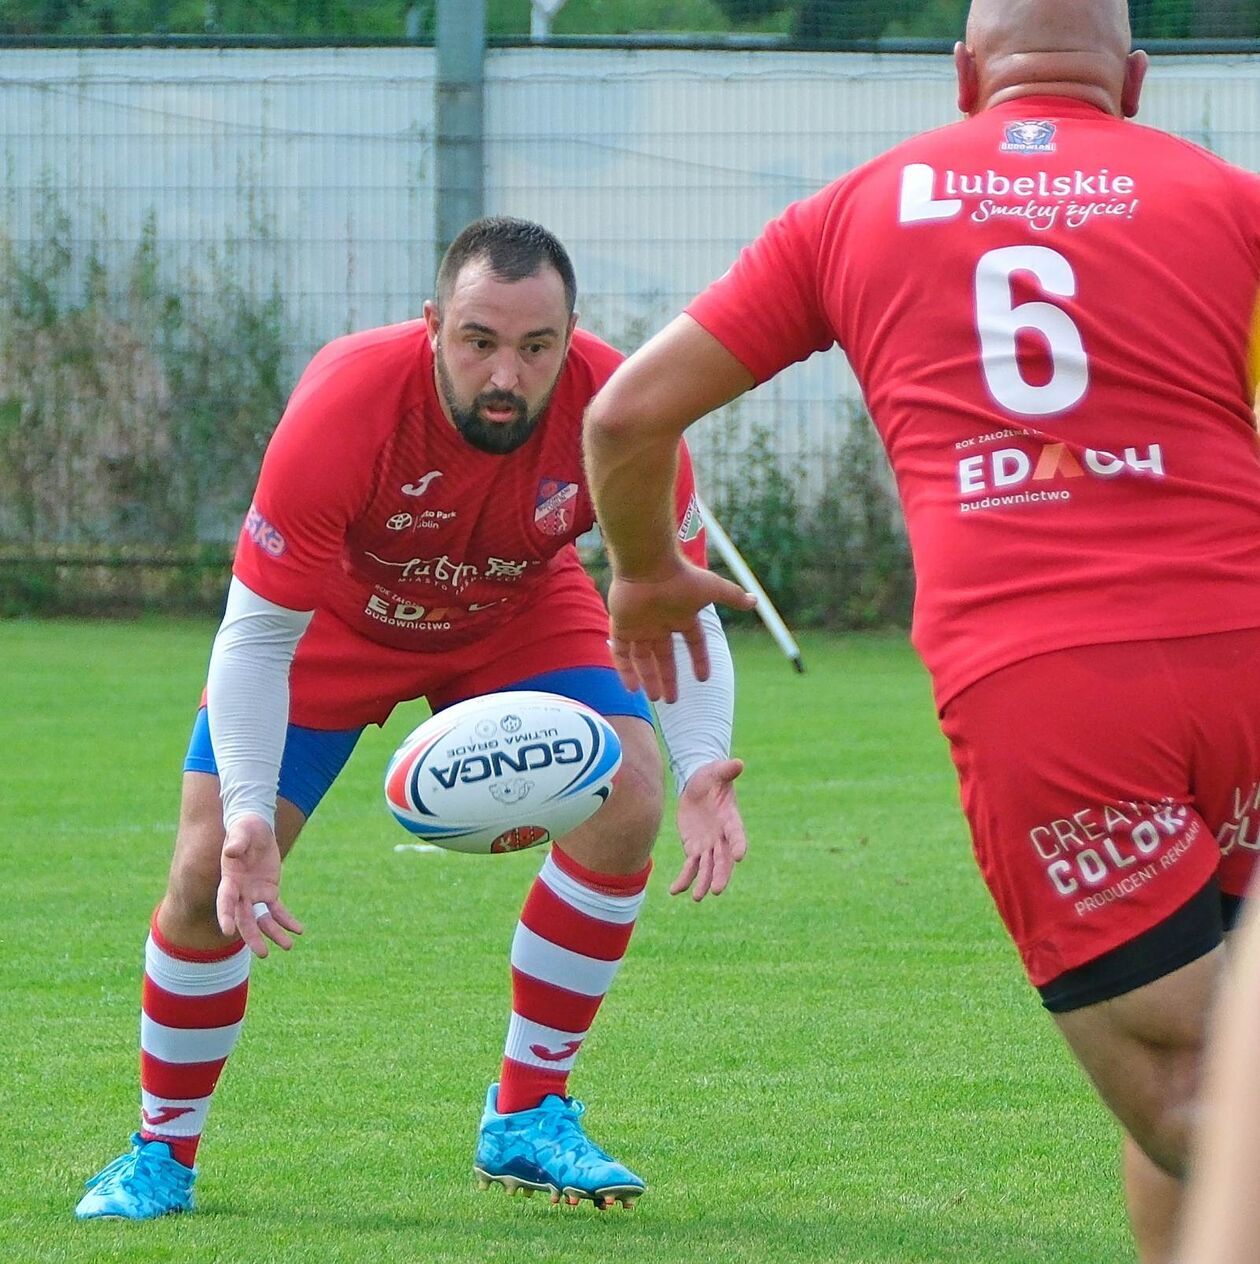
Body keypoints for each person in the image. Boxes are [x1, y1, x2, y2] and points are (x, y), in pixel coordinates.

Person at [582, 3, 1260, 1260]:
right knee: (1220, 1059)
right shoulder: (1228, 198)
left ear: (963, 76)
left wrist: (644, 571)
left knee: (1183, 1098)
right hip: (1244, 645)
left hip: (1050, 692)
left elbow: (623, 420)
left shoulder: (855, 212)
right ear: (1139, 80)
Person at [75, 216, 747, 1220]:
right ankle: (160, 1152)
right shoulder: (349, 402)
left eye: (535, 347)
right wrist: (252, 809)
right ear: (433, 325)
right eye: (478, 341)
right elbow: (257, 637)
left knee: (632, 794)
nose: (505, 375)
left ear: (575, 337)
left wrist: (701, 763)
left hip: (518, 611)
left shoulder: (624, 412)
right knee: (206, 863)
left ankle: (526, 1113)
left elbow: (671, 602)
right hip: (332, 628)